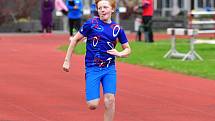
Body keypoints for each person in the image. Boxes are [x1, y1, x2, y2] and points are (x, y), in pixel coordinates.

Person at [62, 0, 131, 121]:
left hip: (109, 69)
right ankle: (91, 89)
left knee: (110, 99)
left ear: (112, 9)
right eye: (100, 8)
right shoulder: (91, 23)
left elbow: (128, 49)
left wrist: (119, 53)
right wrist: (67, 60)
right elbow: (74, 40)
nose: (102, 10)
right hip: (92, 68)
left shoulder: (117, 29)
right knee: (92, 105)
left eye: (105, 7)